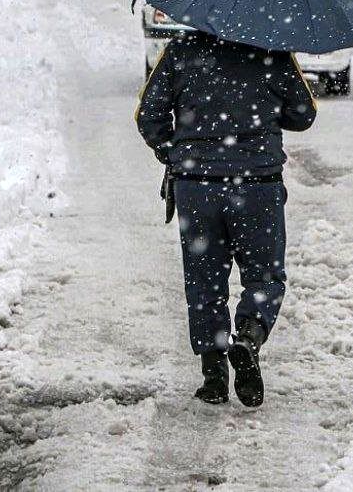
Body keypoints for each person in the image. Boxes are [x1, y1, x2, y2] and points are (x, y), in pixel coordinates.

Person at [135, 31, 317, 407]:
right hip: (257, 185)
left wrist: (174, 152)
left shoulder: (180, 51)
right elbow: (304, 114)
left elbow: (148, 114)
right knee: (264, 274)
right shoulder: (272, 49)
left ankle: (213, 374)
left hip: (196, 186)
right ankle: (248, 339)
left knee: (204, 278)